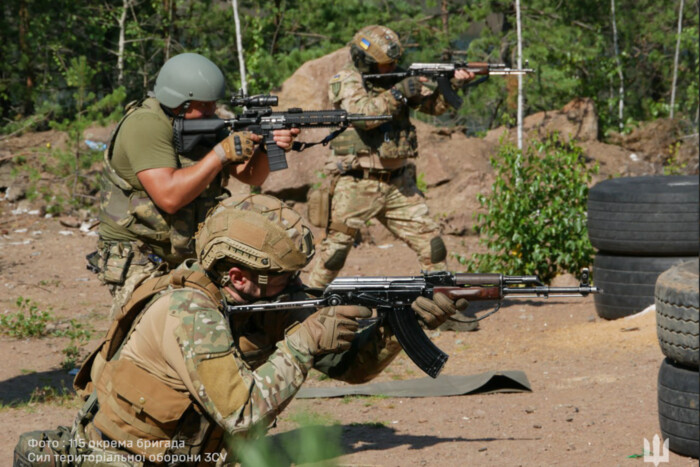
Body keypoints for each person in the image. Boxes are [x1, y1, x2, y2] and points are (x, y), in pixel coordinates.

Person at [14, 193, 465, 466]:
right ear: (236, 276)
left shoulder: (261, 300)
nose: (297, 286)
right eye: (283, 277)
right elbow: (243, 412)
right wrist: (305, 342)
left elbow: (350, 369)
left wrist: (410, 320)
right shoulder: (188, 312)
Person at [92, 52, 300, 319]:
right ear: (180, 103)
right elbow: (169, 197)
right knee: (168, 326)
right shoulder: (144, 125)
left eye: (213, 104)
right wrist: (220, 154)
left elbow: (251, 177)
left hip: (189, 250)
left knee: (254, 295)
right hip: (141, 255)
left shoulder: (204, 122)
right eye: (204, 105)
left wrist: (270, 145)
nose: (212, 112)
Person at [307, 25, 475, 288]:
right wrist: (399, 92)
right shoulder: (347, 80)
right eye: (386, 64)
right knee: (334, 254)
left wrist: (454, 82)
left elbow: (433, 107)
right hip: (357, 183)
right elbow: (363, 116)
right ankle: (305, 303)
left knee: (433, 246)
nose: (392, 67)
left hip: (398, 184)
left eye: (394, 63)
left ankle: (442, 304)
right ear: (365, 61)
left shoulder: (396, 80)